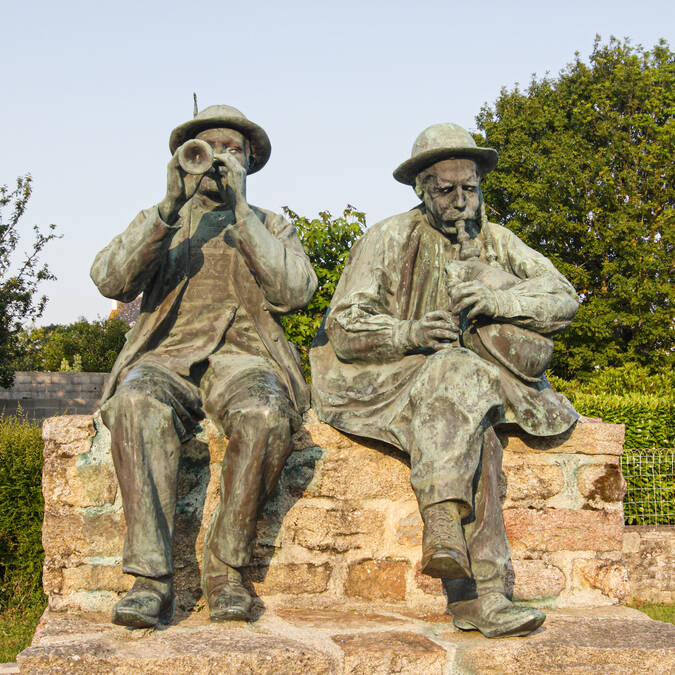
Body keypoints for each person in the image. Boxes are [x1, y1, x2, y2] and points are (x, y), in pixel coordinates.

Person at [310, 122, 579, 638]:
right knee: (463, 380)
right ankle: (480, 583)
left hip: (470, 387)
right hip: (388, 377)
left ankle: (474, 588)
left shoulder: (498, 242)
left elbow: (564, 298)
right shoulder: (388, 237)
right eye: (446, 190)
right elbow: (343, 327)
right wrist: (410, 331)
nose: (461, 202)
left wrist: (503, 301)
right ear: (421, 188)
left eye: (470, 190)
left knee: (474, 412)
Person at [91, 104, 317, 627]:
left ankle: (226, 572)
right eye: (209, 149)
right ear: (187, 159)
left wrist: (242, 213)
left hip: (245, 359)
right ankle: (150, 581)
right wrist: (170, 203)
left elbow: (295, 293)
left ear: (249, 163)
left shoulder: (271, 224)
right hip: (165, 359)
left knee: (266, 413)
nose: (220, 159)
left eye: (233, 150)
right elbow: (109, 280)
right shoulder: (164, 220)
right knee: (135, 403)